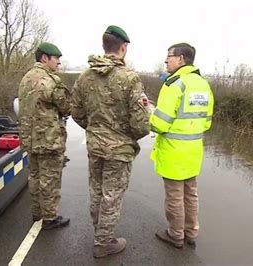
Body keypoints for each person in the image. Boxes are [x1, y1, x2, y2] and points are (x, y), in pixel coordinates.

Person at [71, 25, 150, 258]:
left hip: (95, 146)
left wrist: (95, 129)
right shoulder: (129, 78)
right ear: (123, 48)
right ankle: (104, 243)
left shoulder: (85, 76)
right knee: (112, 195)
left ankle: (100, 233)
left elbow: (75, 112)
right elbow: (141, 124)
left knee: (96, 191)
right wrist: (126, 136)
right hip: (119, 150)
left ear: (105, 46)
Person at [150, 43, 214, 248]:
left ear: (181, 59)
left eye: (169, 56)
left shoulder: (174, 84)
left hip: (173, 151)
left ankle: (175, 234)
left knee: (175, 196)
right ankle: (191, 233)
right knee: (191, 194)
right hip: (194, 151)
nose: (166, 60)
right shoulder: (204, 84)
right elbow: (207, 122)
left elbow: (159, 123)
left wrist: (149, 116)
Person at [18, 42, 71, 229]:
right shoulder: (50, 80)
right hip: (49, 139)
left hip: (30, 139)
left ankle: (36, 212)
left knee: (34, 175)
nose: (59, 63)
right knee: (50, 178)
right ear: (44, 58)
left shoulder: (25, 79)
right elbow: (66, 106)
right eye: (56, 59)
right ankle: (50, 218)